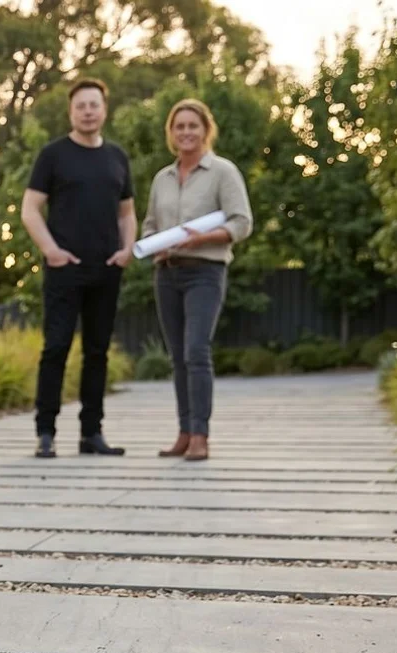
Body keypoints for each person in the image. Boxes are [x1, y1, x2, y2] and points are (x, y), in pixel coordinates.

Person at [20, 78, 137, 459]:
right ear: (71, 112)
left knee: (98, 353)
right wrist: (50, 250)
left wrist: (127, 250)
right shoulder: (53, 155)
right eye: (81, 106)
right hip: (64, 270)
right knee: (56, 348)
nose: (88, 111)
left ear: (105, 110)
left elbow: (128, 213)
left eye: (94, 105)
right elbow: (30, 209)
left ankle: (92, 434)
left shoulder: (117, 157)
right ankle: (46, 432)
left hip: (107, 270)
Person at [140, 98, 253, 462]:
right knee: (178, 358)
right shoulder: (162, 178)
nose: (186, 132)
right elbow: (150, 224)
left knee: (196, 351)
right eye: (179, 126)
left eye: (193, 126)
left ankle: (201, 435)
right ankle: (184, 432)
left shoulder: (222, 172)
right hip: (167, 274)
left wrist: (200, 238)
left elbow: (241, 223)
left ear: (206, 130)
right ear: (171, 134)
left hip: (205, 271)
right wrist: (154, 244)